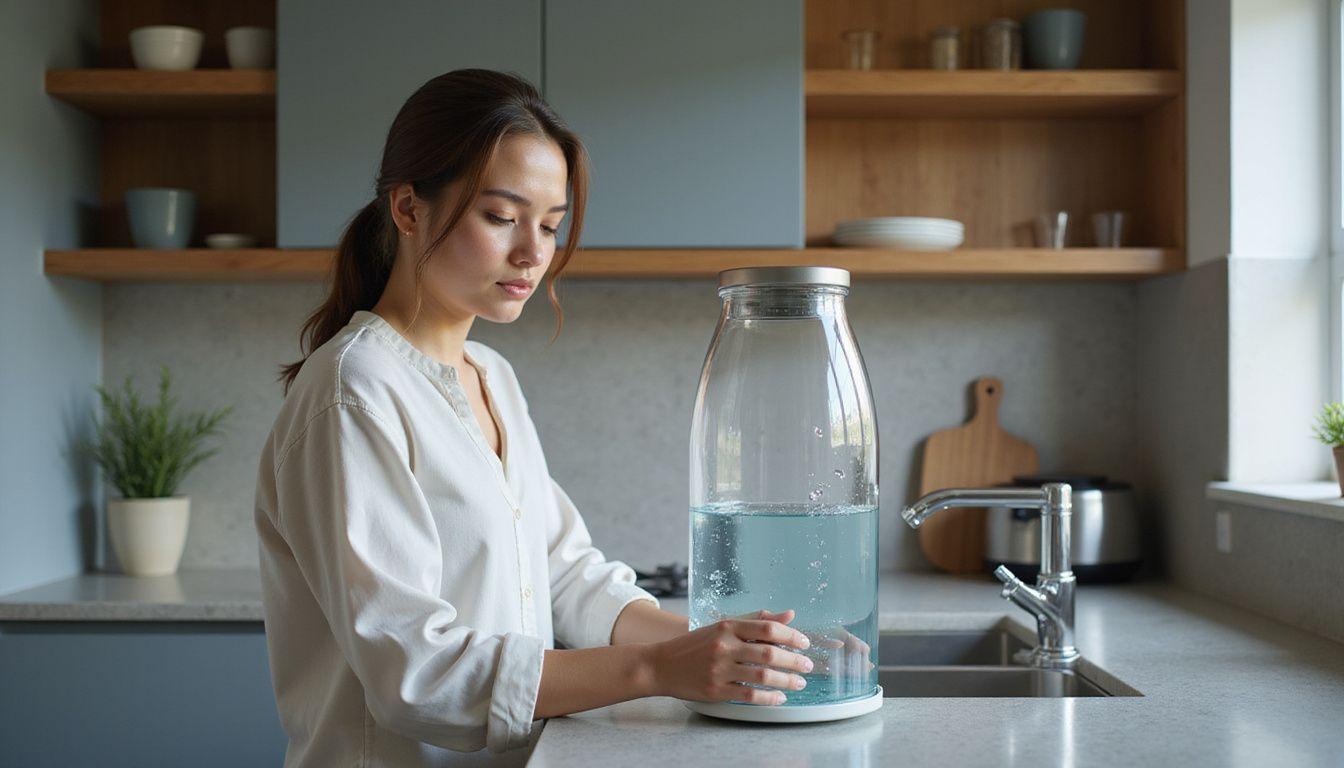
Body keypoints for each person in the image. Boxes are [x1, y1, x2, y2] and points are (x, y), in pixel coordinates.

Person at [253, 69, 813, 767]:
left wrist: (725, 651)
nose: (533, 253)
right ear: (407, 209)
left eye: (549, 225)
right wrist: (659, 669)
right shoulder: (353, 392)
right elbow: (414, 675)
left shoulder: (491, 376)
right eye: (500, 216)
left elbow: (564, 574)